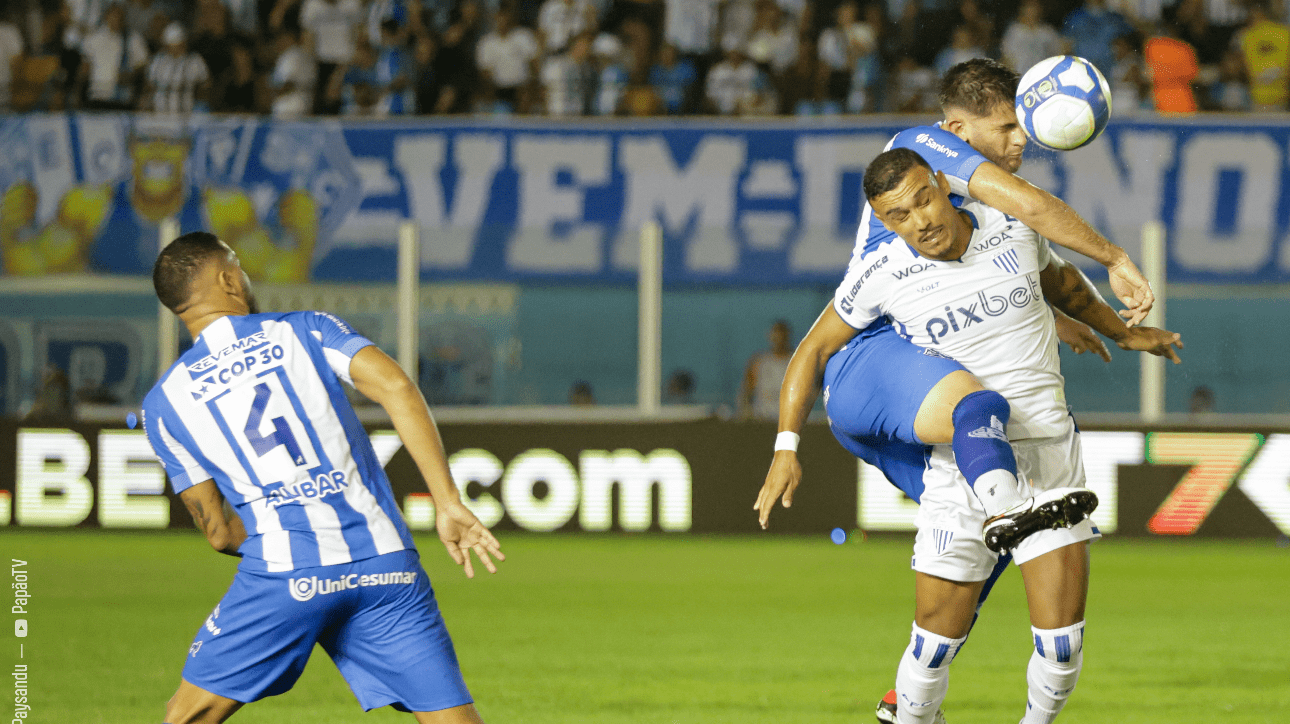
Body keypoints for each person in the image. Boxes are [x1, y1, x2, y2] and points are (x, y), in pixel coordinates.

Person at [760, 148, 1183, 724]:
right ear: (884, 223)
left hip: (1049, 459)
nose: (921, 222)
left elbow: (1066, 287)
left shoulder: (1013, 230)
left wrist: (1126, 335)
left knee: (1061, 650)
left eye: (924, 200)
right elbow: (813, 349)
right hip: (960, 470)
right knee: (932, 648)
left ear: (941, 183)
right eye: (899, 216)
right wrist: (787, 446)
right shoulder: (881, 273)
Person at [756, 59, 1154, 542]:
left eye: (1022, 126)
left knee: (983, 541)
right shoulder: (920, 150)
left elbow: (1031, 277)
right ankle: (1009, 511)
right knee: (980, 409)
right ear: (957, 130)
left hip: (919, 361)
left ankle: (1004, 523)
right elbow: (1029, 203)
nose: (1021, 139)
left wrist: (1084, 323)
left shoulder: (976, 214)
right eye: (1006, 126)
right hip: (872, 352)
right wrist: (1113, 258)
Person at [142, 232, 503, 723]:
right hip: (386, 565)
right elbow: (396, 387)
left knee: (187, 715)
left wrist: (291, 535)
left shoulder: (164, 404)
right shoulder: (306, 330)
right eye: (239, 267)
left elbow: (220, 532)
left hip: (286, 577)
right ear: (229, 279)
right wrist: (447, 502)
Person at [740, 319, 793, 420]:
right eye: (776, 334)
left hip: (789, 420)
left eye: (782, 334)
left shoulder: (797, 362)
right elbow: (746, 392)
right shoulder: (759, 362)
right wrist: (746, 414)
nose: (779, 339)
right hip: (762, 419)